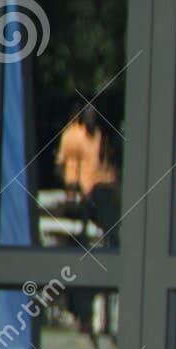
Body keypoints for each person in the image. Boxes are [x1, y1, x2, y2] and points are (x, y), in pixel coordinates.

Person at [56, 102, 120, 247]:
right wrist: (72, 189)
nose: (91, 119)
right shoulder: (75, 136)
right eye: (88, 115)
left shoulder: (101, 137)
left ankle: (110, 241)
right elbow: (70, 165)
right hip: (86, 190)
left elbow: (108, 164)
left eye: (93, 115)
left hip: (103, 188)